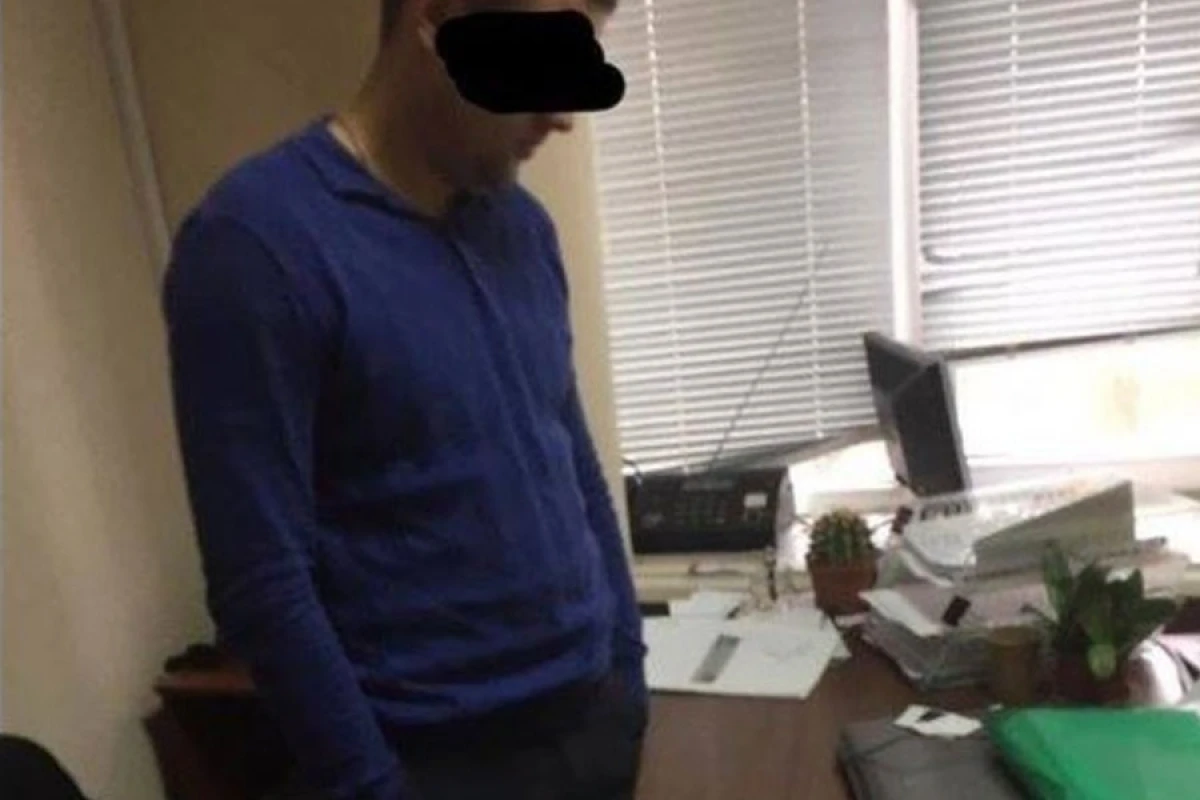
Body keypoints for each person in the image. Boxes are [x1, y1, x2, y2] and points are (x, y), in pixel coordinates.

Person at [160, 0, 646, 798]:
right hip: (430, 761)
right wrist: (373, 785)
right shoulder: (254, 245)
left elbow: (573, 467)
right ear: (434, 20)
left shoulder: (523, 228)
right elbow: (260, 579)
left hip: (593, 728)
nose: (564, 114)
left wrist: (626, 672)